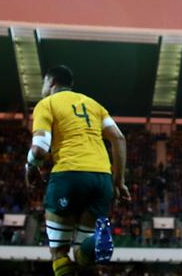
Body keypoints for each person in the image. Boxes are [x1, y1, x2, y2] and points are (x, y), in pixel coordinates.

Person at [28, 65, 129, 275]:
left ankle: (91, 247)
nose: (42, 89)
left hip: (69, 175)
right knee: (83, 257)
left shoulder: (46, 104)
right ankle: (93, 246)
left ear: (52, 83)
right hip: (102, 179)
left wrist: (30, 167)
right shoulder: (93, 105)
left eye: (44, 84)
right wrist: (119, 182)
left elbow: (39, 150)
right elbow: (118, 138)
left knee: (60, 254)